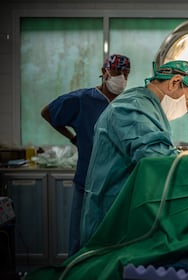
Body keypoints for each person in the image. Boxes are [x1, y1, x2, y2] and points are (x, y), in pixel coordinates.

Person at [79, 60, 188, 247]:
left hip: (127, 210)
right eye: (187, 102)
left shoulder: (148, 107)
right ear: (175, 82)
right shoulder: (131, 107)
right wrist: (187, 158)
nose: (185, 109)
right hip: (113, 217)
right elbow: (157, 159)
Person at [41, 54, 131, 256]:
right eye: (118, 72)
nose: (122, 78)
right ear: (104, 72)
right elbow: (47, 112)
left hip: (117, 183)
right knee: (80, 238)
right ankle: (74, 277)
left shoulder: (127, 103)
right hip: (88, 181)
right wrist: (72, 138)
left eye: (126, 73)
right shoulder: (83, 99)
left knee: (112, 241)